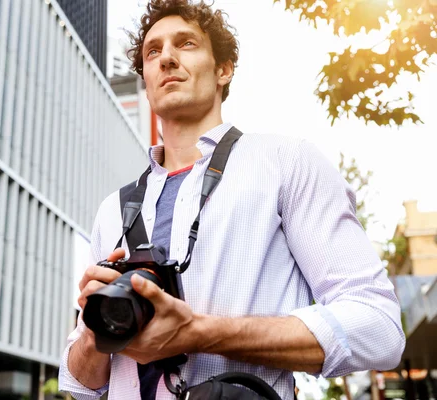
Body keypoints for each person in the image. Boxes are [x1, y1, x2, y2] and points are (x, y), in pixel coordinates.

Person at [58, 0, 405, 399]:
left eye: (185, 44)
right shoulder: (112, 210)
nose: (166, 58)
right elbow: (80, 386)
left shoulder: (286, 162)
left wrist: (200, 333)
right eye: (152, 52)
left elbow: (378, 327)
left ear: (224, 70)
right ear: (146, 77)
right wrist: (95, 328)